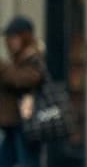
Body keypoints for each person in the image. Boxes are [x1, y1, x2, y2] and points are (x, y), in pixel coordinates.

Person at [0, 16, 44, 167]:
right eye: (9, 38)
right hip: (13, 122)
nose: (10, 42)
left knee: (28, 162)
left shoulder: (33, 57)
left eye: (14, 37)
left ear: (25, 37)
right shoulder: (16, 59)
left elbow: (23, 79)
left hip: (27, 123)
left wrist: (3, 68)